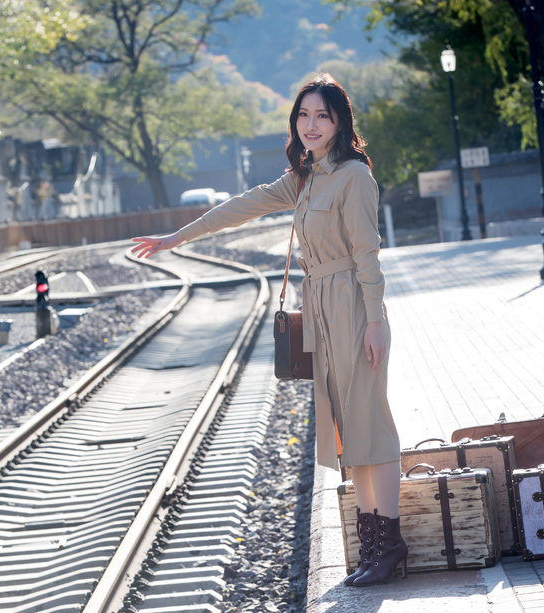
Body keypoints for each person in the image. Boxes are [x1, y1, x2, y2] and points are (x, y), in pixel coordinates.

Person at [131, 73, 406, 587]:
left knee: (371, 422)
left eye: (322, 115)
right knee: (349, 428)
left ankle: (389, 545)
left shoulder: (354, 177)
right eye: (303, 115)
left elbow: (368, 255)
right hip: (319, 303)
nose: (311, 124)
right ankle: (371, 548)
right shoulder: (303, 178)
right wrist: (177, 238)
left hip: (351, 302)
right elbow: (243, 206)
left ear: (340, 121)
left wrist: (375, 321)